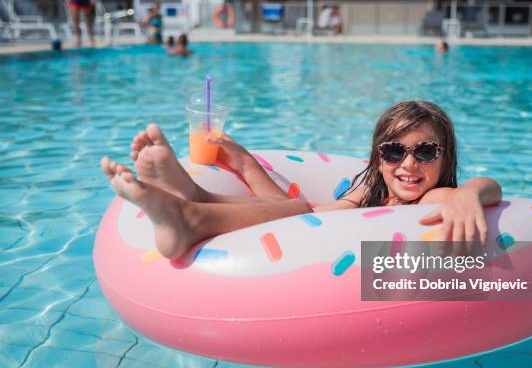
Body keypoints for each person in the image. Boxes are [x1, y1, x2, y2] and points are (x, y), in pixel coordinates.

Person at [100, 101, 501, 259]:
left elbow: (489, 187)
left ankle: (191, 212)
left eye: (426, 152)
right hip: (312, 234)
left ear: (445, 158)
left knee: (292, 210)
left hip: (349, 279)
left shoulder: (435, 198)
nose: (408, 165)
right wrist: (243, 163)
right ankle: (191, 196)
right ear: (378, 158)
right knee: (293, 209)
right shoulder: (371, 193)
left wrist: (469, 195)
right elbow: (299, 213)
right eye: (394, 152)